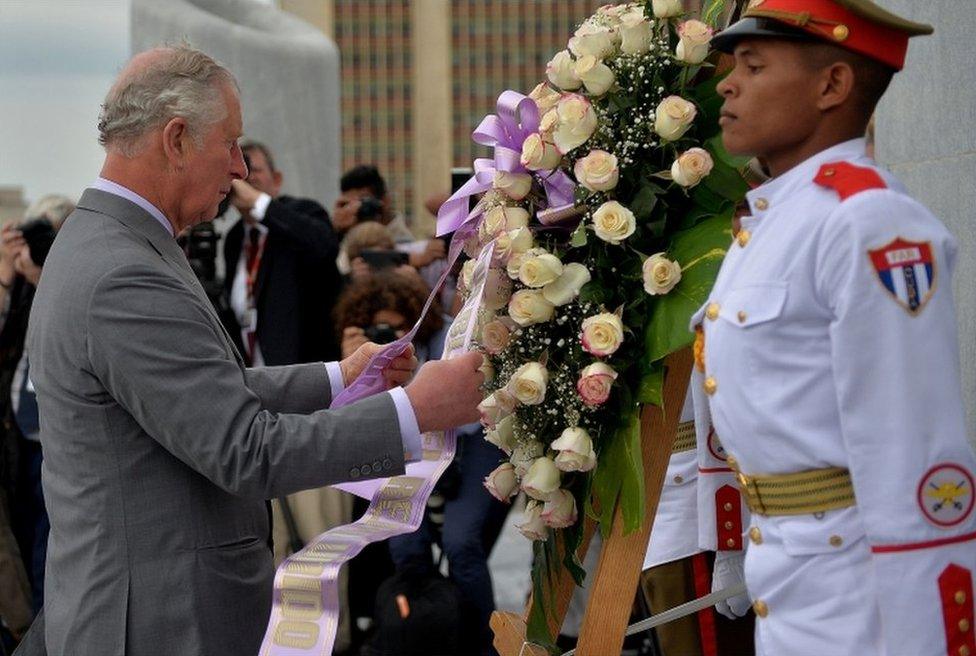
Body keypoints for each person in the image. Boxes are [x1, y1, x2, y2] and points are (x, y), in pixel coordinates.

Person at [25, 45, 484, 656]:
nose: (240, 166)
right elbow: (245, 451)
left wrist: (341, 378)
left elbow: (207, 390)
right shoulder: (122, 272)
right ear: (177, 139)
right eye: (231, 144)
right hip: (163, 623)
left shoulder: (115, 242)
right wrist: (414, 412)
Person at [695, 2, 976, 654]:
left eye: (753, 66)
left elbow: (913, 456)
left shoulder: (867, 220)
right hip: (789, 571)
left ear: (833, 86)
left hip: (860, 594)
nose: (727, 84)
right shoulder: (771, 220)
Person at [335, 271, 511, 656]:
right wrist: (355, 372)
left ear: (417, 319)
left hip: (472, 441)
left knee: (461, 544)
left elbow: (473, 407)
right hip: (404, 449)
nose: (386, 337)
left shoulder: (453, 338)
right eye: (375, 328)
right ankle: (418, 640)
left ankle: (482, 647)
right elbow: (353, 425)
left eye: (396, 328)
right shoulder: (362, 354)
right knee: (405, 547)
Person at [223, 139, 343, 364]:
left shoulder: (304, 212)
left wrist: (259, 204)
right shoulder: (234, 238)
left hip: (304, 367)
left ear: (276, 180)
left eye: (254, 170)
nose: (246, 179)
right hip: (254, 372)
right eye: (238, 173)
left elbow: (324, 247)